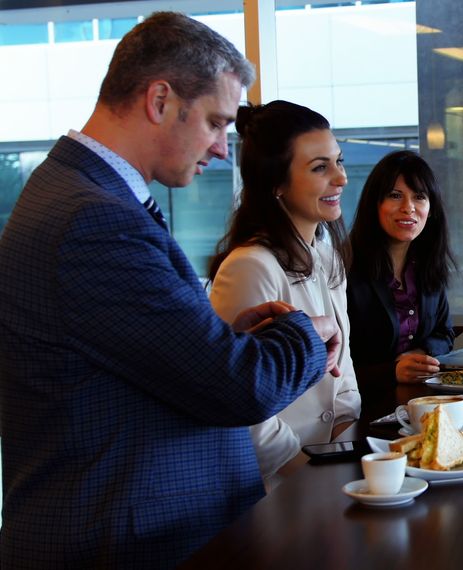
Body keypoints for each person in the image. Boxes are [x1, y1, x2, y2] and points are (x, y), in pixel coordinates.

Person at [0, 13, 341, 568]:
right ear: (160, 101)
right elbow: (238, 389)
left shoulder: (88, 196)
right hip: (125, 544)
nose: (223, 150)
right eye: (215, 122)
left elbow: (127, 353)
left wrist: (222, 336)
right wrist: (306, 331)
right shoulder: (93, 218)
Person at [208, 100, 360, 491]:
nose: (341, 178)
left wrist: (343, 455)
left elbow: (342, 376)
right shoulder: (250, 267)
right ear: (275, 183)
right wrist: (308, 473)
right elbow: (242, 406)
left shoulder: (325, 252)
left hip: (330, 472)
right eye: (320, 167)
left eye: (339, 162)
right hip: (276, 487)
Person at [346, 150, 457, 393]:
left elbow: (444, 332)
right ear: (375, 204)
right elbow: (331, 365)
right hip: (359, 407)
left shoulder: (427, 263)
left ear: (431, 208)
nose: (408, 208)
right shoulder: (346, 267)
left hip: (417, 400)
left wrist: (421, 353)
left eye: (419, 197)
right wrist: (392, 371)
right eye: (395, 196)